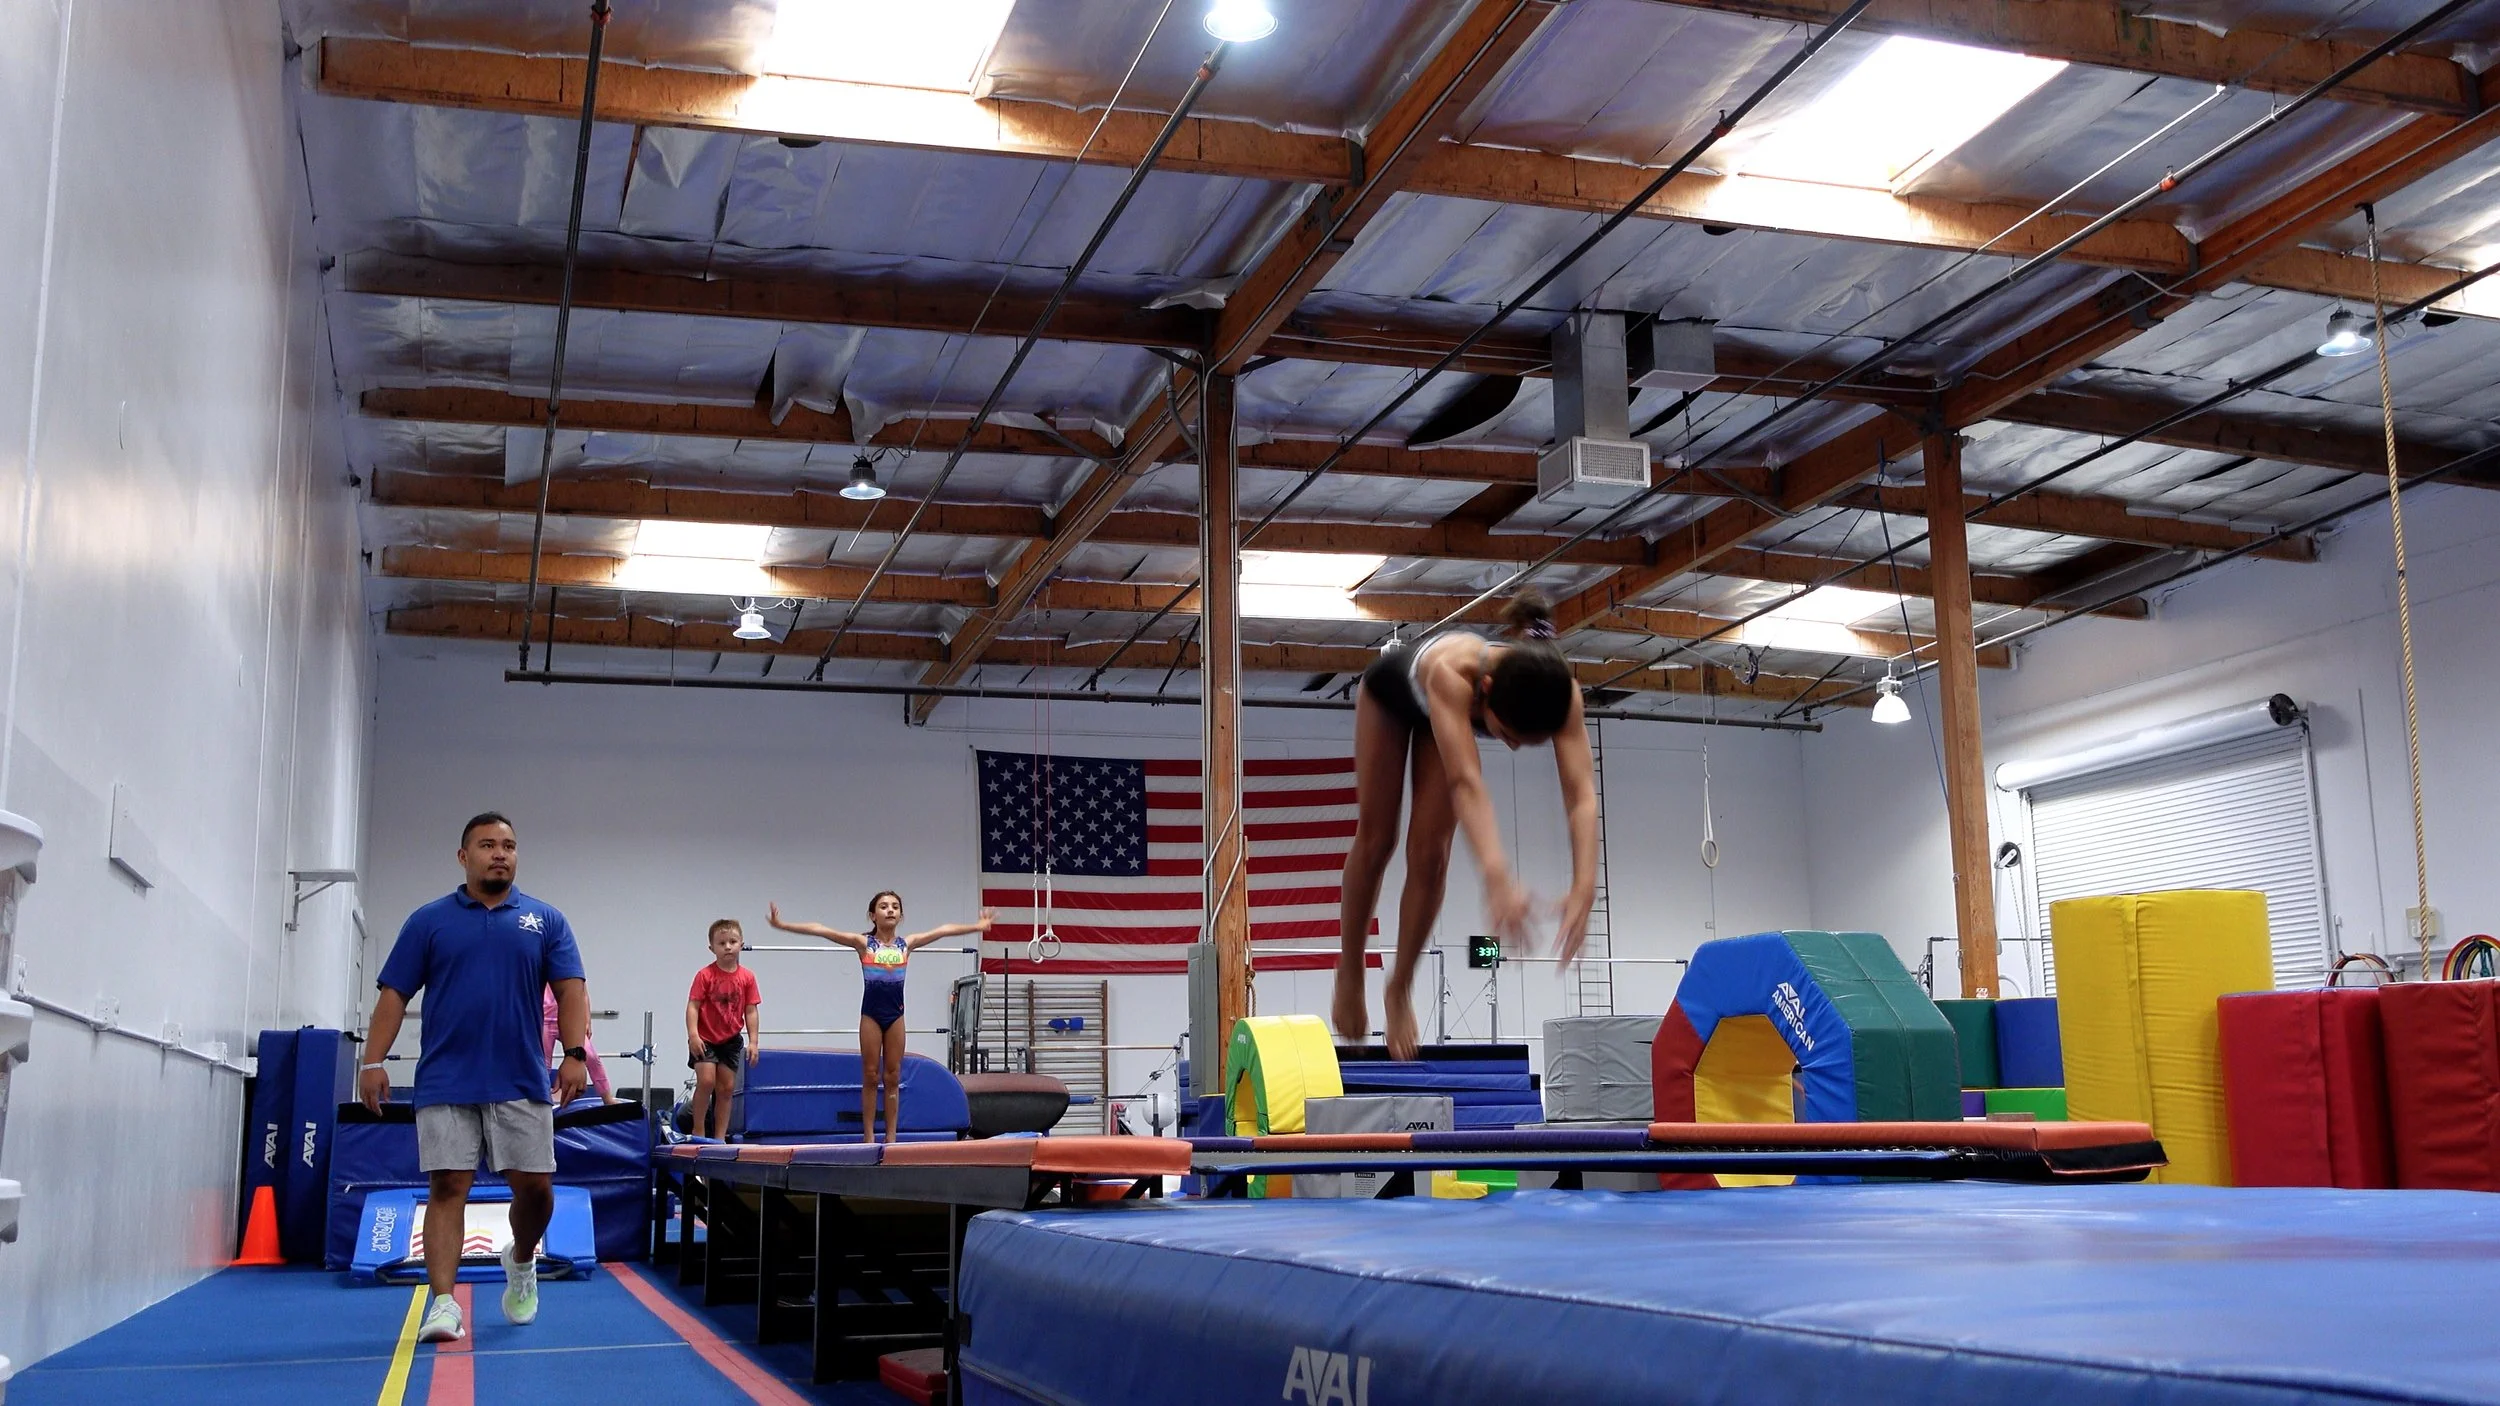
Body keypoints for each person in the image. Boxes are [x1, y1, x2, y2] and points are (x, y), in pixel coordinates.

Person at [1334, 591, 1598, 1061]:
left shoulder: (1564, 695)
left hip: (1451, 714)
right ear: (1489, 689)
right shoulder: (1452, 672)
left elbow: (1580, 795)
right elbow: (1466, 782)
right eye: (1508, 736)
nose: (1513, 748)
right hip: (1395, 696)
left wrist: (1584, 883)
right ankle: (1351, 966)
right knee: (1378, 840)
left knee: (1432, 856)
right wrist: (1497, 878)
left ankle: (1400, 987)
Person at [361, 812, 588, 1346]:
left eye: (508, 845)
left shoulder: (544, 920)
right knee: (447, 1186)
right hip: (446, 1079)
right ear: (464, 857)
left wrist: (574, 1053)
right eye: (487, 845)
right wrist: (373, 1062)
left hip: (521, 1080)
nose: (500, 853)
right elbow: (394, 994)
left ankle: (522, 1256)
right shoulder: (429, 921)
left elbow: (572, 988)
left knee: (536, 1190)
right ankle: (443, 1303)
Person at [767, 893, 993, 1143]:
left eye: (895, 907)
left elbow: (942, 930)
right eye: (884, 907)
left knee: (893, 1076)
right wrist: (783, 925)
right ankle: (868, 1136)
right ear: (873, 915)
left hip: (896, 1015)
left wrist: (977, 926)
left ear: (901, 915)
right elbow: (822, 930)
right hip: (871, 1016)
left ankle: (892, 1136)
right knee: (871, 1075)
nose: (890, 910)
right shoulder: (864, 943)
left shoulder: (906, 944)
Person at [685, 918, 762, 1139]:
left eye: (732, 941)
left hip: (730, 1039)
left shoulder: (747, 977)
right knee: (707, 1081)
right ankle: (698, 1126)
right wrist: (693, 1035)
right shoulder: (705, 975)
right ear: (712, 948)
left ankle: (720, 1136)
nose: (728, 946)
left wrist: (754, 1041)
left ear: (741, 943)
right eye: (722, 943)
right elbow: (693, 1006)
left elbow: (750, 1010)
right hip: (705, 1038)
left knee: (726, 1089)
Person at [542, 987, 614, 1103]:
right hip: (543, 1021)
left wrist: (586, 1020)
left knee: (591, 1057)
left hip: (569, 1020)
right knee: (543, 1065)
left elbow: (582, 993)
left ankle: (607, 1098)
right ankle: (543, 1100)